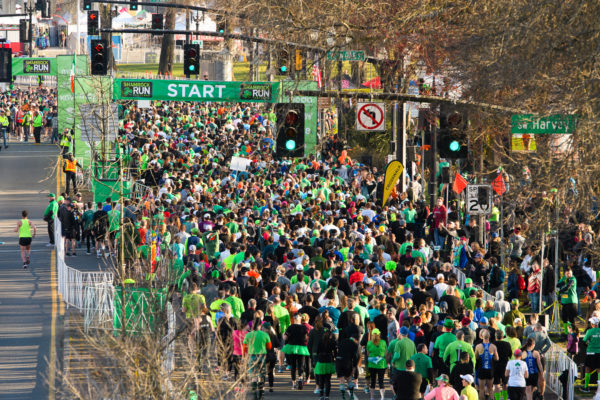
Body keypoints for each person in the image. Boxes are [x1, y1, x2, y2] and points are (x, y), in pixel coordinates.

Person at [243, 318, 272, 400]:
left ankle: (254, 394)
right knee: (262, 375)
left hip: (252, 356)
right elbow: (269, 346)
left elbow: (244, 347)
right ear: (260, 325)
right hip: (262, 356)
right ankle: (261, 394)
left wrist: (244, 355)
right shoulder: (265, 335)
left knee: (253, 376)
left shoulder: (248, 335)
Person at [282, 313, 310, 390]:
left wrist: (283, 334)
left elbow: (285, 338)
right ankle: (300, 378)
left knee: (293, 366)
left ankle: (294, 383)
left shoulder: (290, 327)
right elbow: (306, 338)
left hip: (292, 347)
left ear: (294, 319)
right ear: (300, 319)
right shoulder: (304, 328)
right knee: (301, 364)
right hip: (301, 348)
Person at [313, 323, 337, 400]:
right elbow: (335, 352)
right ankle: (327, 396)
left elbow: (317, 351)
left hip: (321, 361)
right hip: (329, 361)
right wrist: (334, 357)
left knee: (321, 379)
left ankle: (321, 395)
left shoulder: (320, 341)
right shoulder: (332, 341)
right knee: (328, 380)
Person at [474, 329, 499, 400]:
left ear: (482, 336)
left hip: (481, 370)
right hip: (490, 370)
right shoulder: (493, 346)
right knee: (490, 389)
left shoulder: (478, 346)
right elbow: (497, 358)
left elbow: (476, 357)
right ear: (489, 336)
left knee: (481, 389)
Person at [365, 328, 387, 400]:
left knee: (373, 381)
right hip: (381, 364)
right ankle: (382, 397)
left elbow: (367, 354)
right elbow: (386, 354)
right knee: (381, 381)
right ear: (379, 334)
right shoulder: (383, 342)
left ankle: (372, 397)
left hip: (372, 364)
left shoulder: (369, 343)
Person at [557, 267, 578, 332]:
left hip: (571, 301)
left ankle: (573, 333)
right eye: (567, 273)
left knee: (571, 319)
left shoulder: (573, 279)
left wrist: (560, 292)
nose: (568, 275)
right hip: (564, 301)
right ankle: (566, 333)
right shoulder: (564, 278)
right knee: (564, 318)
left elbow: (568, 287)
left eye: (569, 273)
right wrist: (564, 281)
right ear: (565, 274)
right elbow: (557, 285)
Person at [583, 317, 600, 392]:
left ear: (592, 324)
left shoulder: (589, 331)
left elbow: (584, 341)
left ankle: (586, 387)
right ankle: (599, 388)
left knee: (587, 368)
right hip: (599, 352)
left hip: (590, 352)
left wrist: (589, 345)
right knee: (599, 369)